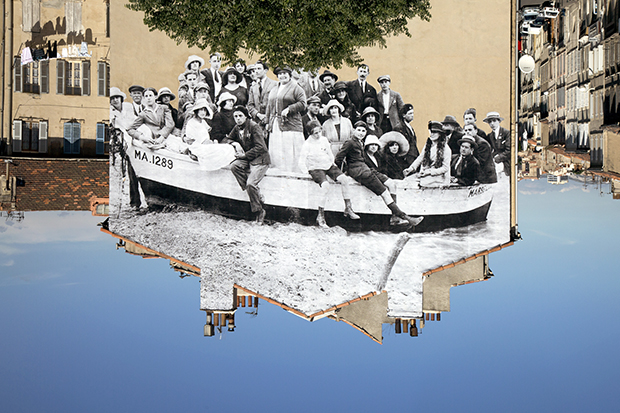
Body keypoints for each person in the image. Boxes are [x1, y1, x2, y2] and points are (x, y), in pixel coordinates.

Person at [335, 121, 424, 228]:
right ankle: (405, 218)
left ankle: (396, 217)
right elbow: (338, 158)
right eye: (358, 130)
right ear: (354, 130)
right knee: (384, 193)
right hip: (361, 172)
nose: (361, 133)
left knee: (391, 183)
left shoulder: (360, 142)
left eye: (363, 131)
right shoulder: (349, 142)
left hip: (367, 170)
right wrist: (347, 171)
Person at [298, 120, 360, 228]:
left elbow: (330, 155)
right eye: (315, 133)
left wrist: (333, 165)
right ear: (310, 133)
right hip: (316, 168)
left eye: (319, 132)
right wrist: (307, 172)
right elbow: (301, 161)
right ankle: (320, 215)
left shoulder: (324, 140)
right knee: (326, 186)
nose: (318, 135)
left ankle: (348, 207)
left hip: (328, 165)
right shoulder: (307, 144)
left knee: (345, 179)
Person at [224, 106, 271, 224]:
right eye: (235, 116)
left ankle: (259, 211)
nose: (238, 119)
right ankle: (256, 194)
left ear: (246, 116)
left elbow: (261, 147)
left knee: (251, 183)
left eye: (240, 116)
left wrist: (244, 156)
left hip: (260, 159)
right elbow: (228, 139)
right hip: (249, 158)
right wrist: (234, 143)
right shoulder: (237, 128)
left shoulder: (254, 127)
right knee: (234, 166)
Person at [265, 66, 307, 172]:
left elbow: (303, 103)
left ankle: (292, 171)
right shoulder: (274, 89)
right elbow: (269, 107)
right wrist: (267, 122)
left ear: (289, 75)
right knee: (277, 148)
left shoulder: (296, 87)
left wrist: (290, 108)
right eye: (279, 74)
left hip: (291, 124)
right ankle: (279, 171)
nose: (282, 76)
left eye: (284, 73)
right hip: (275, 123)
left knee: (289, 148)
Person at [404, 121, 452, 187]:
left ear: (440, 134)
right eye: (431, 132)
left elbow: (445, 168)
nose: (432, 134)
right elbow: (421, 157)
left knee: (417, 184)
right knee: (406, 181)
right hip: (425, 174)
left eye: (435, 132)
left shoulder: (446, 149)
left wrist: (429, 172)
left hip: (438, 177)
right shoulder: (428, 145)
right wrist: (411, 168)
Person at [247, 60, 277, 128]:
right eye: (255, 69)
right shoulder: (253, 87)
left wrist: (267, 116)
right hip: (257, 122)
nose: (256, 71)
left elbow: (276, 103)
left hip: (271, 121)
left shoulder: (274, 84)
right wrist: (258, 115)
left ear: (265, 70)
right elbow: (250, 105)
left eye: (259, 68)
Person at [483, 111, 511, 176]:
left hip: (506, 162)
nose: (492, 123)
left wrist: (498, 158)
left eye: (494, 121)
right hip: (496, 162)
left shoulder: (506, 133)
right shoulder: (490, 136)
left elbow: (509, 151)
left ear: (499, 121)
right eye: (490, 122)